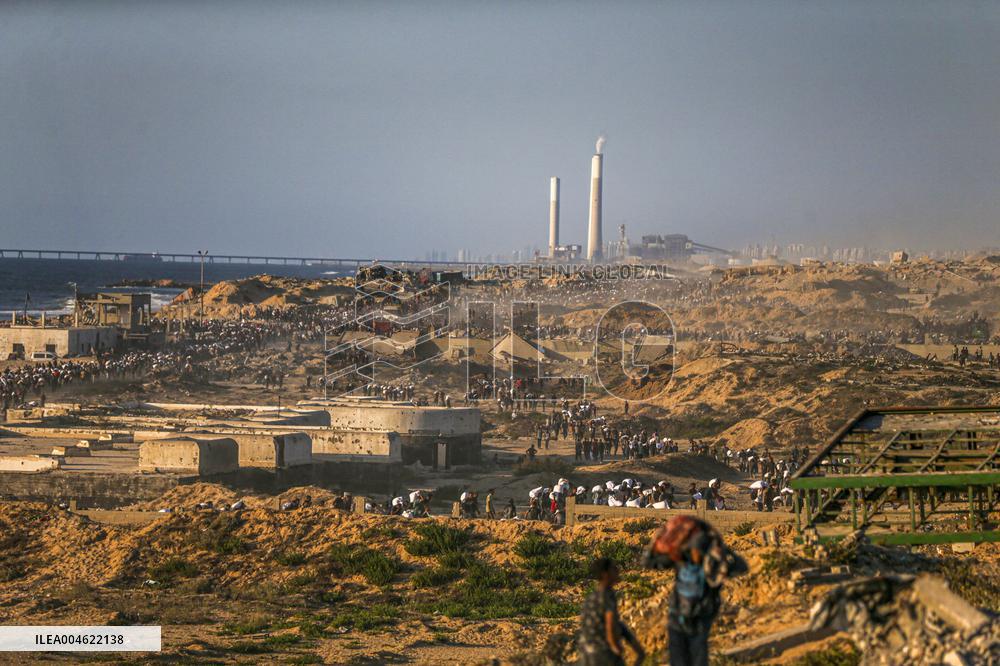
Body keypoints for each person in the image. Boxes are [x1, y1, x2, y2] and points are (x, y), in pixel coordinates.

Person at [641, 516, 747, 666]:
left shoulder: (713, 565)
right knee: (679, 659)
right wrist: (657, 540)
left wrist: (723, 549)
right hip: (678, 616)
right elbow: (648, 562)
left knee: (698, 658)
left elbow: (742, 567)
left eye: (699, 550)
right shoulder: (681, 560)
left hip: (700, 617)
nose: (696, 553)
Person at [577, 558, 643, 666]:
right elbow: (610, 624)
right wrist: (615, 647)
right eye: (614, 568)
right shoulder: (607, 595)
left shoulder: (591, 597)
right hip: (604, 652)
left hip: (586, 654)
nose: (617, 571)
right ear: (605, 574)